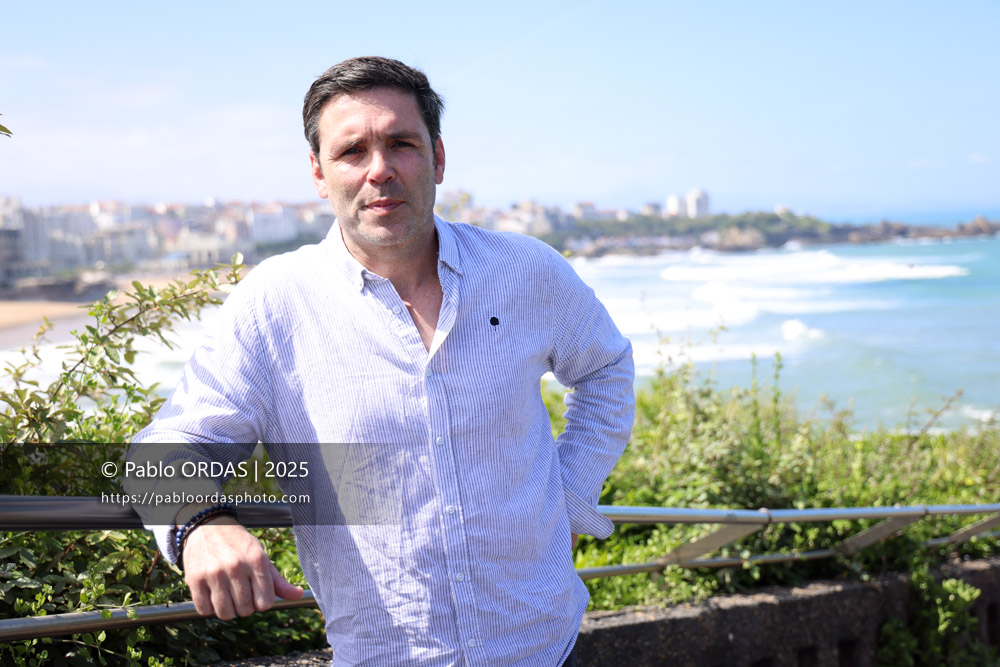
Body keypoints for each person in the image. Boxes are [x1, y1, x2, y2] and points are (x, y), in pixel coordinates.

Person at [129, 56, 634, 666]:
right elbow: (164, 448)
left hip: (547, 647)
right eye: (352, 152)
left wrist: (570, 491)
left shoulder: (526, 271)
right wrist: (199, 523)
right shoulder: (274, 303)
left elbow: (606, 368)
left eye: (402, 143)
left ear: (438, 158)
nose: (380, 170)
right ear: (319, 172)